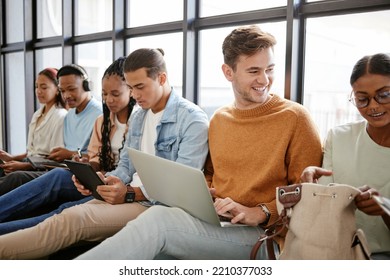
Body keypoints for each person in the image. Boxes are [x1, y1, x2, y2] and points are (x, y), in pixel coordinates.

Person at [75, 25, 323, 260]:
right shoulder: (220, 119)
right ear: (228, 72)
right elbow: (209, 175)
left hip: (266, 234)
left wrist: (261, 211)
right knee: (150, 252)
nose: (265, 80)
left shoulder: (295, 118)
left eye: (269, 69)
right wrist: (206, 198)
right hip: (219, 222)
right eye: (254, 71)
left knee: (159, 221)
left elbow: (310, 193)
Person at [0, 48, 209, 259]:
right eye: (131, 88)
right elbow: (126, 166)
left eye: (139, 87)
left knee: (71, 220)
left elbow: (181, 185)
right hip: (130, 195)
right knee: (64, 216)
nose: (135, 95)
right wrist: (104, 180)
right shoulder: (140, 117)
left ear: (162, 78)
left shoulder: (191, 119)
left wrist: (130, 193)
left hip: (156, 204)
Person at [0, 57, 136, 235]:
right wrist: (85, 166)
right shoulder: (102, 121)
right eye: (104, 94)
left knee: (64, 209)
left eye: (115, 94)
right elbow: (95, 158)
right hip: (98, 180)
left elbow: (130, 170)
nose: (108, 100)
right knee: (57, 175)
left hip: (116, 186)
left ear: (131, 91)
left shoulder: (138, 123)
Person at [300, 53, 390, 260]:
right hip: (336, 252)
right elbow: (323, 214)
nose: (373, 106)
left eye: (384, 95)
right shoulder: (338, 137)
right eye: (362, 99)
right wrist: (311, 189)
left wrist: (385, 209)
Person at [0, 64, 102, 196]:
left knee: (16, 177)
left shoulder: (99, 114)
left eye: (71, 89)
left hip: (77, 173)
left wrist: (69, 154)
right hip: (65, 168)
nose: (66, 95)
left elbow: (97, 157)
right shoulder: (70, 114)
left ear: (87, 86)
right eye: (63, 91)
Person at [0, 68, 67, 191]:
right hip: (30, 161)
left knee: (16, 177)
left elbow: (54, 159)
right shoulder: (37, 114)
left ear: (57, 89)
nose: (38, 91)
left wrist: (24, 166)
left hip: (44, 167)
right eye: (37, 87)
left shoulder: (60, 116)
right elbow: (32, 151)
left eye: (44, 87)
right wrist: (12, 158)